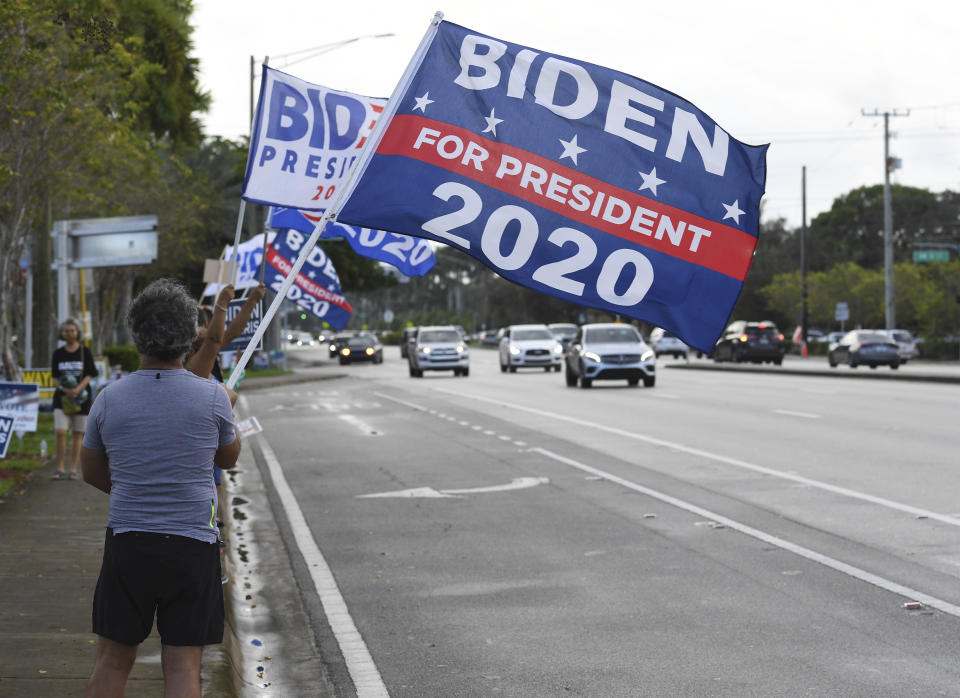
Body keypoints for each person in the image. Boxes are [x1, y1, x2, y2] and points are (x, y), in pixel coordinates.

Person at [81, 279, 241, 698]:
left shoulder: (108, 398)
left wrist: (136, 490)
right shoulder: (212, 397)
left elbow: (91, 471)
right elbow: (227, 458)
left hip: (129, 541)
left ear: (137, 334)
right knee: (183, 665)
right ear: (191, 335)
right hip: (192, 545)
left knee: (113, 658)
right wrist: (229, 409)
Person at [51, 318, 99, 480]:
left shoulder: (85, 352)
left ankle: (73, 469)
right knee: (60, 431)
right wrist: (64, 389)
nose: (69, 333)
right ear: (61, 333)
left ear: (77, 332)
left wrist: (78, 389)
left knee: (78, 434)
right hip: (61, 399)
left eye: (72, 330)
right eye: (66, 331)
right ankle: (59, 467)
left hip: (81, 398)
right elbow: (54, 377)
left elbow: (90, 373)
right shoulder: (57, 354)